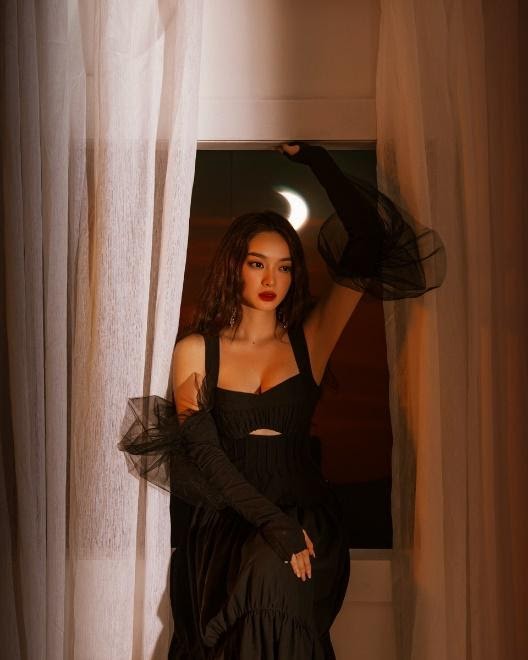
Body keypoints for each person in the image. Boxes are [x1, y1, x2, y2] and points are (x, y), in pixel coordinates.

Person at [119, 142, 446, 659]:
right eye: (258, 264)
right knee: (258, 576)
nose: (272, 280)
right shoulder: (196, 350)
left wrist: (320, 163)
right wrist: (274, 524)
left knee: (272, 579)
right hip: (231, 515)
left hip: (307, 511)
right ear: (236, 266)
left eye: (285, 267)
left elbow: (369, 241)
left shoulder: (309, 341)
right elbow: (204, 451)